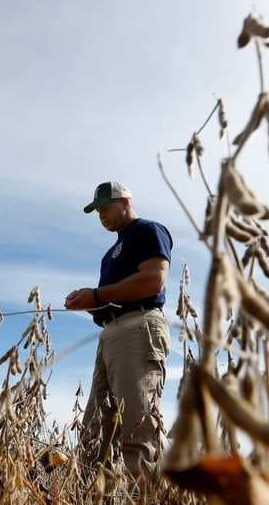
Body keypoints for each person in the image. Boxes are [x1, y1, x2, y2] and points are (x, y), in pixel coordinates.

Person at [64, 181, 173, 481]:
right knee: (95, 433)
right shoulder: (109, 255)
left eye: (105, 208)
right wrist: (87, 303)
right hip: (110, 335)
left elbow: (154, 280)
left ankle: (149, 499)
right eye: (97, 211)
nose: (101, 216)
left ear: (125, 201)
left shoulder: (149, 231)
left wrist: (97, 296)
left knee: (137, 428)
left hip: (139, 330)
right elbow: (110, 300)